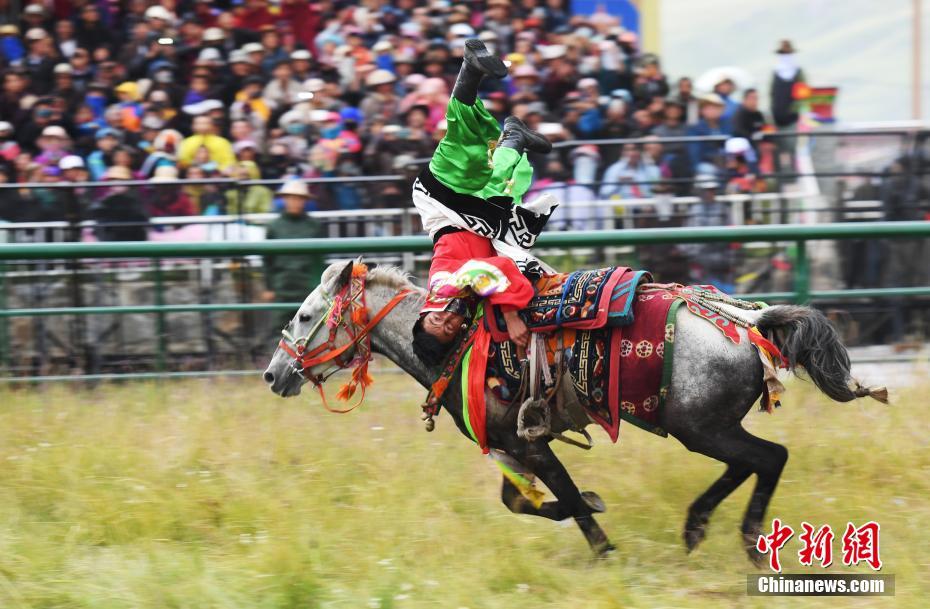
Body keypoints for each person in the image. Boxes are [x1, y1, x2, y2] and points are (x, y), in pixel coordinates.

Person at [409, 39, 557, 364]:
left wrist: (511, 313)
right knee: (500, 178)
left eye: (437, 320)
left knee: (463, 154)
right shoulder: (471, 308)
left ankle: (469, 70)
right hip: (484, 226)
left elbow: (481, 269)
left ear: (423, 315)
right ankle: (515, 137)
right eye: (449, 328)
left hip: (444, 208)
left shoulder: (441, 286)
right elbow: (496, 266)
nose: (447, 319)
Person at [262, 180, 325, 334]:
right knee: (279, 329)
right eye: (291, 198)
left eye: (298, 198)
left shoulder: (314, 226)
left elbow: (318, 259)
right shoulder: (274, 227)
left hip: (306, 286)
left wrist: (319, 286)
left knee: (309, 329)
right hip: (282, 285)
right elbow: (267, 259)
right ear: (284, 199)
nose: (295, 202)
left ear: (304, 201)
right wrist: (269, 286)